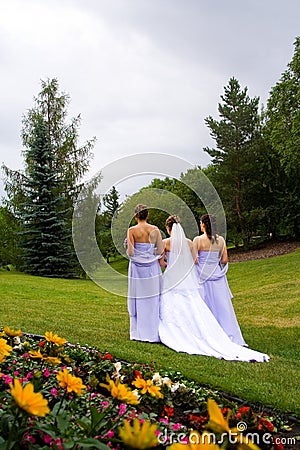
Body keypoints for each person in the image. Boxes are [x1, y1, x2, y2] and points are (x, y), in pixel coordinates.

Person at [158, 215, 269, 362]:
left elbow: (164, 261)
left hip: (175, 278)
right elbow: (200, 261)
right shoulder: (194, 242)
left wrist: (170, 265)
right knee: (204, 306)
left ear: (168, 228)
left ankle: (179, 330)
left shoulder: (167, 243)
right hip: (206, 277)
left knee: (173, 305)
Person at [193, 214, 247, 346]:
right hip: (217, 275)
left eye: (201, 223)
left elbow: (194, 260)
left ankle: (209, 334)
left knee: (206, 304)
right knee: (222, 305)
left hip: (203, 276)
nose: (200, 225)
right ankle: (228, 332)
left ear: (204, 225)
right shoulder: (221, 240)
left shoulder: (198, 240)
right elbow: (224, 260)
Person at [127, 204, 165, 342]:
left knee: (138, 296)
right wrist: (150, 253)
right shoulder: (155, 229)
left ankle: (139, 332)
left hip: (137, 269)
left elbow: (131, 252)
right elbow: (160, 250)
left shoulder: (132, 230)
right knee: (153, 296)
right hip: (152, 267)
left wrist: (129, 248)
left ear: (135, 215)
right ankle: (154, 330)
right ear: (147, 215)